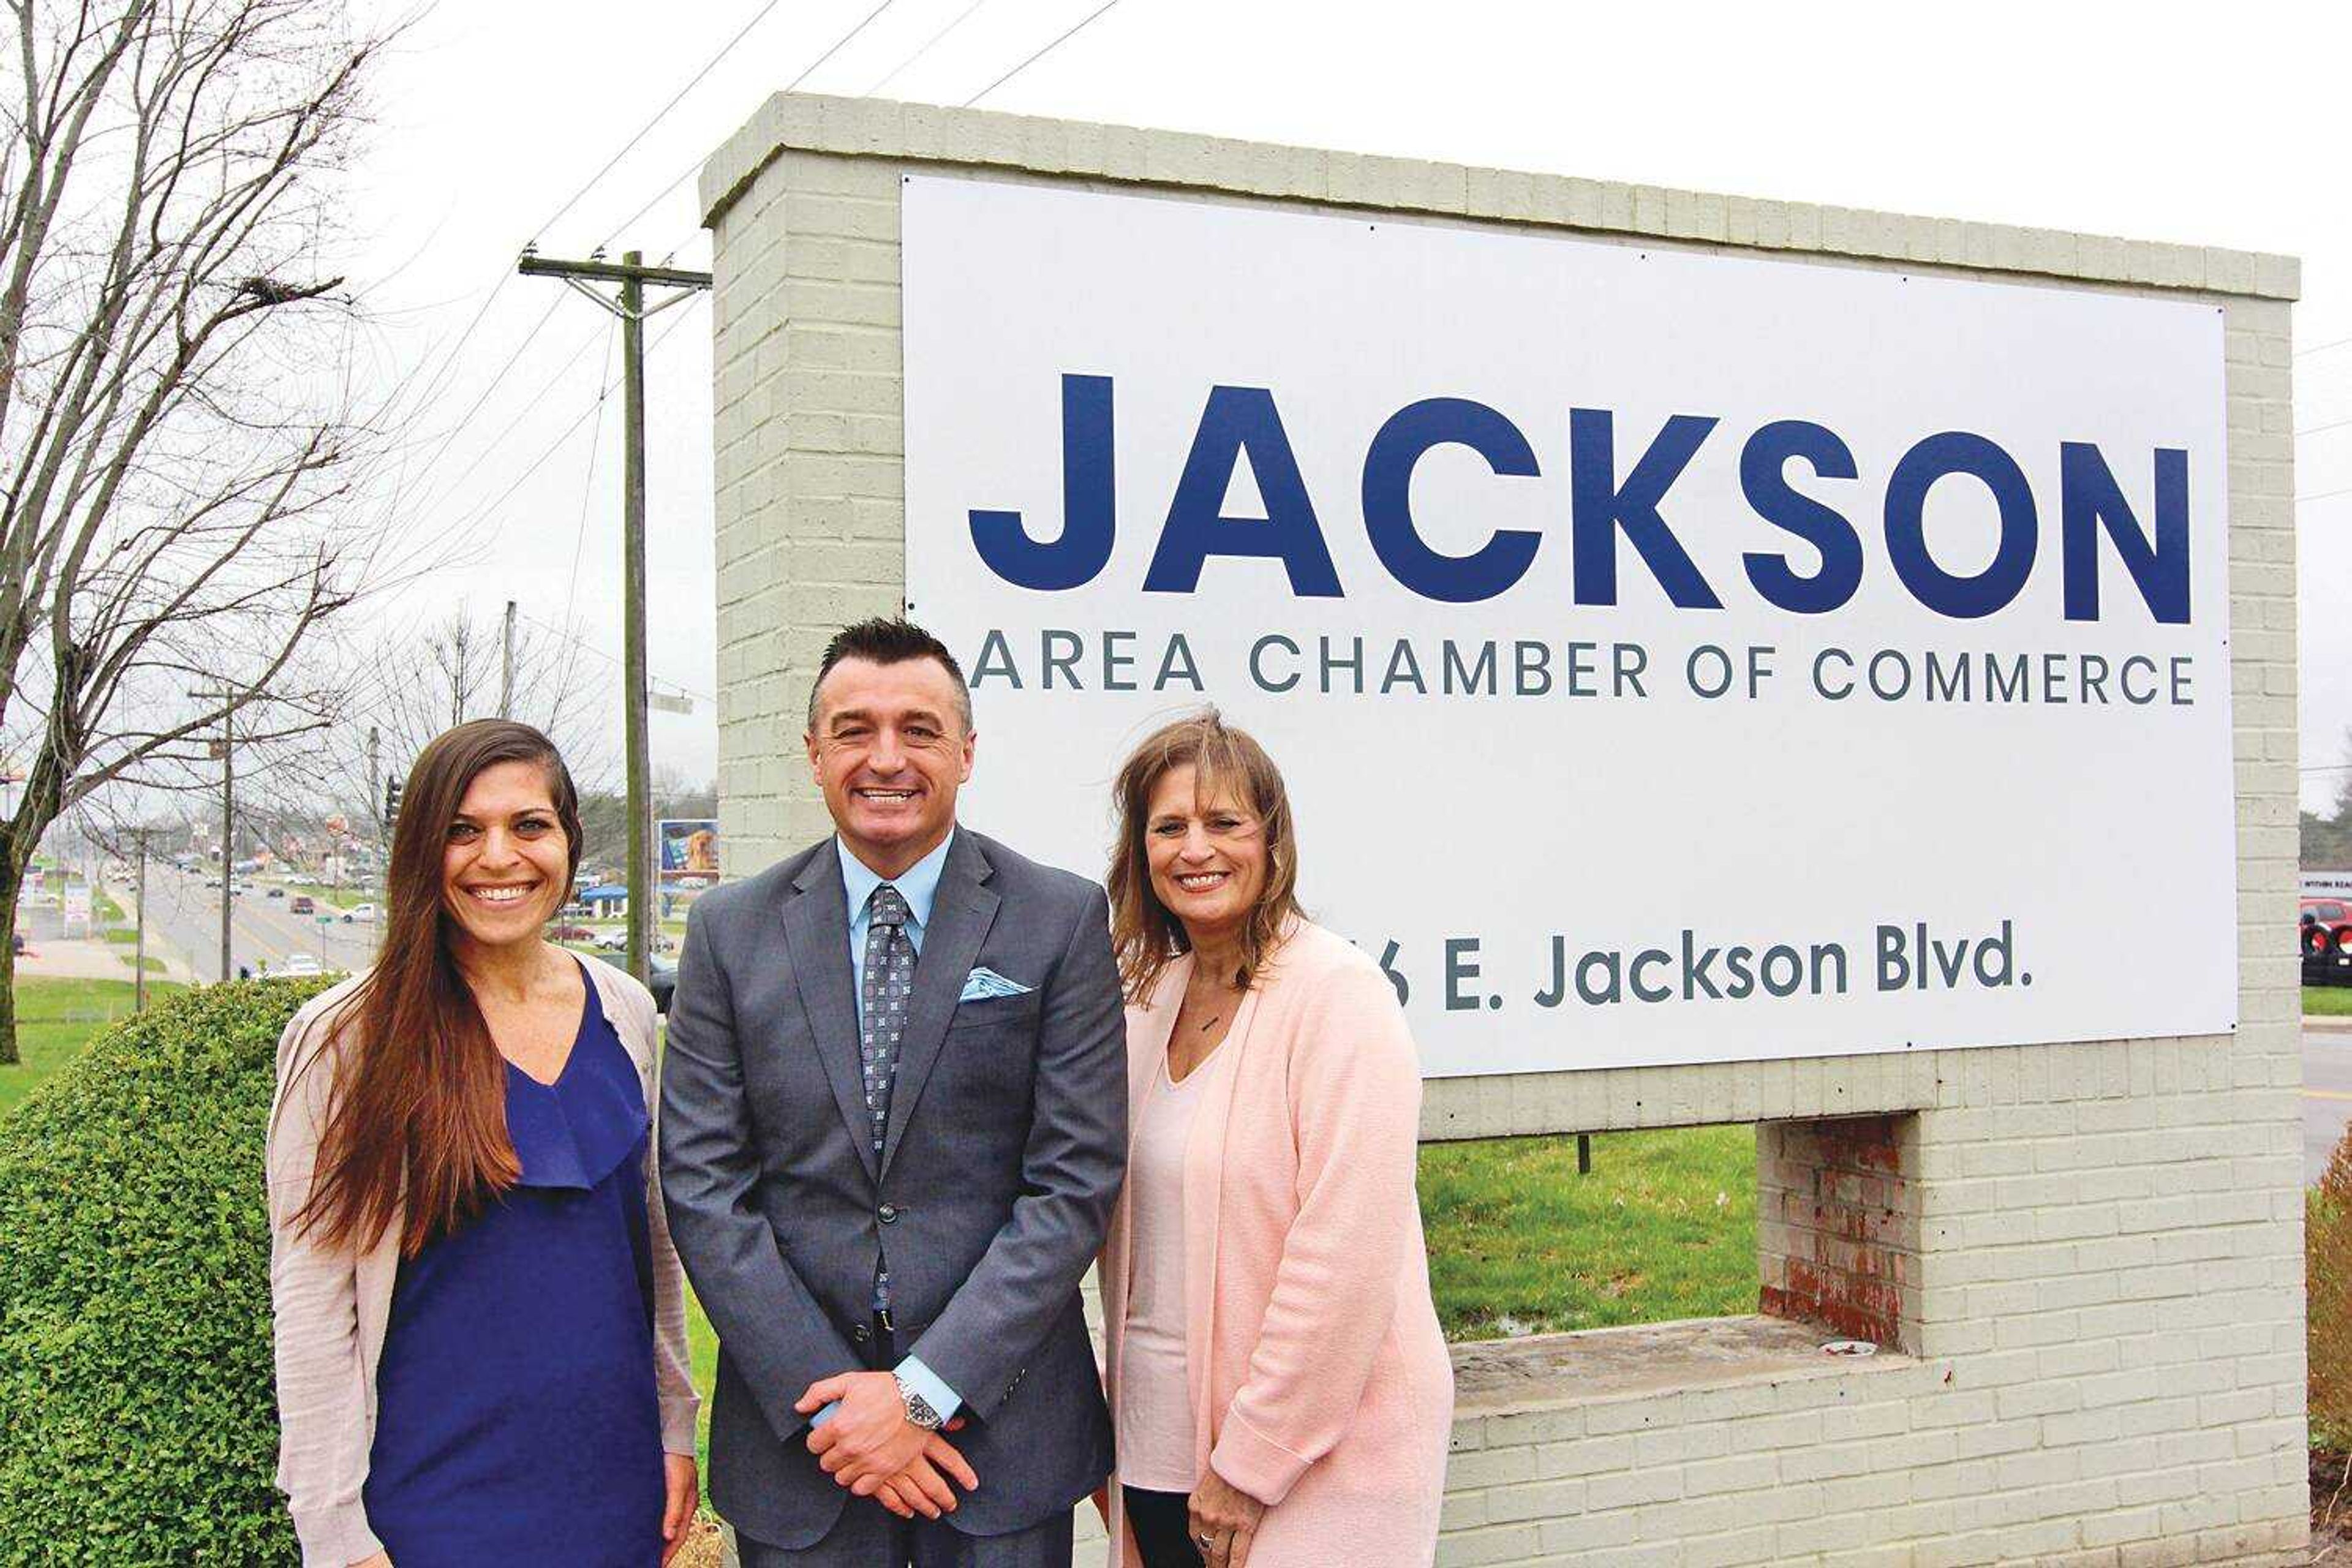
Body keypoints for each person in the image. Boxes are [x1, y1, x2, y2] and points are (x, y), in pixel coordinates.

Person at [660, 617, 1128, 1567]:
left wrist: (923, 1391)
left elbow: (1072, 1182)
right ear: (813, 753)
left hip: (1000, 1438)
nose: (886, 758)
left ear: (965, 751)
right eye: (853, 729)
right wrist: (840, 1406)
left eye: (917, 729)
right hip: (805, 1448)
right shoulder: (728, 932)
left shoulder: (1060, 918)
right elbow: (705, 1187)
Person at [266, 720, 699, 1568]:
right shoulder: (345, 1038)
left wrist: (675, 1426)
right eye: (463, 831)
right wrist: (335, 1531)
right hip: (432, 1507)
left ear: (568, 841)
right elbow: (314, 1304)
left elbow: (654, 1250)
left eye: (528, 826)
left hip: (611, 1487)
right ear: (423, 851)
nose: (499, 857)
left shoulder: (624, 1009)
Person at [1098, 712, 1453, 1568]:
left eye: (1225, 823)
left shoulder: (1338, 995)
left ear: (1272, 839)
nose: (1196, 849)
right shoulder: (1146, 997)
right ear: (1140, 851)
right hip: (1152, 1449)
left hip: (1306, 1462)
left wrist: (1252, 1462)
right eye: (1169, 827)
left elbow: (1344, 1258)